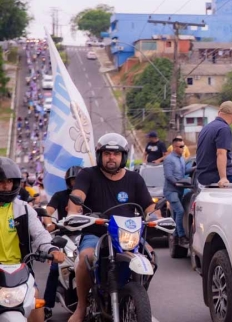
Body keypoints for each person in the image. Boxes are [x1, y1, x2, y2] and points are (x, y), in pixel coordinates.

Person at [66, 133, 161, 322]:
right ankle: (81, 307)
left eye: (116, 154)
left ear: (123, 156)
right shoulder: (88, 174)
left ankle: (138, 300)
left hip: (127, 234)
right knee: (86, 258)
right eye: (107, 153)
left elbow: (149, 206)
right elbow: (77, 197)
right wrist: (73, 213)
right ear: (100, 155)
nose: (111, 157)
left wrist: (156, 218)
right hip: (97, 231)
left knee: (150, 257)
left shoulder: (134, 179)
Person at [0, 157, 66, 322]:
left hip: (19, 272)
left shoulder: (23, 209)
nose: (6, 186)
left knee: (36, 300)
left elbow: (39, 234)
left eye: (9, 181)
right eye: (1, 182)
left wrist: (51, 249)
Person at [42, 165, 82, 320]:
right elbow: (48, 211)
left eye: (79, 180)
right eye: (73, 180)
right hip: (65, 237)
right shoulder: (60, 196)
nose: (76, 183)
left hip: (86, 235)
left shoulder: (91, 196)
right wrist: (49, 224)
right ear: (68, 181)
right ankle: (47, 305)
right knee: (54, 268)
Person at [195, 101, 232, 188]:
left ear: (219, 113)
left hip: (202, 176)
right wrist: (223, 178)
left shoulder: (206, 128)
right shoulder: (224, 128)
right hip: (214, 175)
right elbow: (221, 153)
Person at [163, 137, 193, 246]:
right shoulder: (169, 159)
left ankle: (174, 236)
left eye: (183, 146)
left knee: (176, 214)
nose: (183, 148)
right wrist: (177, 183)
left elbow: (184, 171)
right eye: (180, 147)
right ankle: (181, 236)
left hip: (180, 190)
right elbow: (168, 176)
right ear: (175, 147)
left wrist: (196, 168)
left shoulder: (181, 158)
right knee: (180, 211)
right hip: (171, 191)